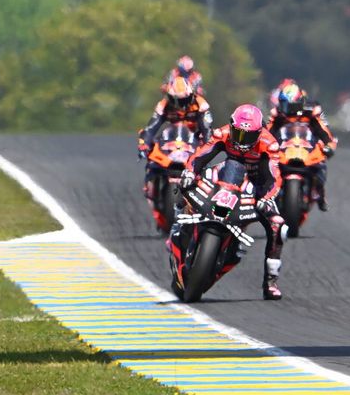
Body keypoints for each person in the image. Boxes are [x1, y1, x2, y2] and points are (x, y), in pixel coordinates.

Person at [178, 104, 288, 300]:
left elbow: (274, 178)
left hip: (257, 187)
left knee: (278, 226)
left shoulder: (269, 144)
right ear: (232, 126)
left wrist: (266, 198)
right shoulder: (222, 133)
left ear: (259, 131)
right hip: (225, 177)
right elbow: (201, 156)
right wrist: (189, 173)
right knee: (185, 188)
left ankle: (270, 280)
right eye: (239, 133)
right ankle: (181, 228)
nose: (242, 140)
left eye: (249, 135)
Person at [138, 76, 213, 229]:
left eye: (184, 100)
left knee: (207, 171)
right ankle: (150, 188)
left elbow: (207, 131)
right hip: (171, 143)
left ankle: (203, 204)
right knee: (151, 160)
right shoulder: (163, 105)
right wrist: (144, 144)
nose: (180, 105)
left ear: (191, 95)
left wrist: (207, 147)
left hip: (192, 143)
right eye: (176, 100)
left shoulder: (201, 105)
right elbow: (151, 128)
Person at [267, 80, 337, 211]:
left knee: (321, 163)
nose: (288, 109)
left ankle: (319, 192)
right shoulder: (278, 115)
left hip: (306, 147)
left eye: (291, 106)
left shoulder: (310, 113)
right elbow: (267, 133)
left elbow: (323, 130)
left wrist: (329, 144)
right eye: (285, 105)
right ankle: (266, 195)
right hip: (284, 148)